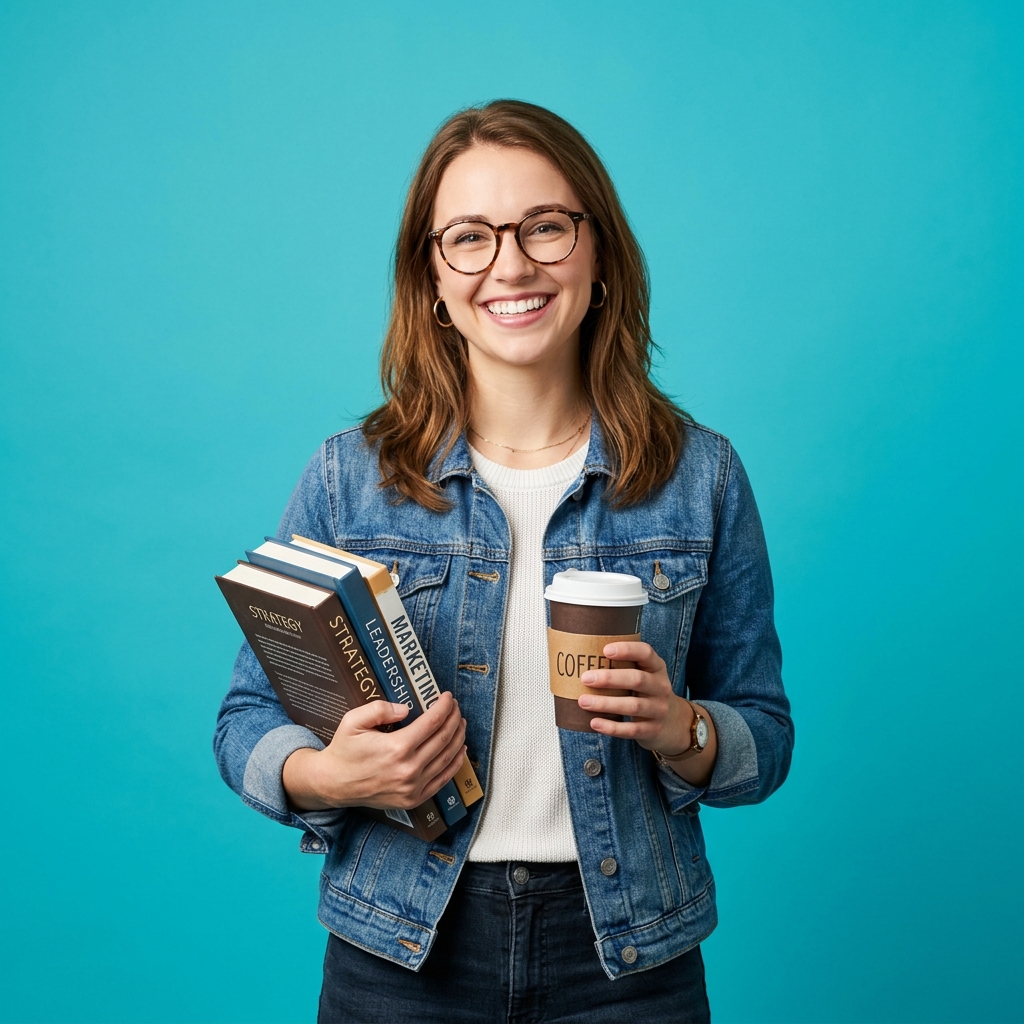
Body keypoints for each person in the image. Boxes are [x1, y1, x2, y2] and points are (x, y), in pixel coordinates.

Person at [214, 99, 793, 1024]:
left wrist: (680, 727)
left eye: (545, 227)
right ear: (433, 278)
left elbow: (764, 741)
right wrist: (334, 778)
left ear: (597, 253)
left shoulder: (702, 477)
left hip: (629, 960)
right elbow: (246, 719)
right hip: (399, 953)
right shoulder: (347, 477)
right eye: (471, 238)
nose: (511, 265)